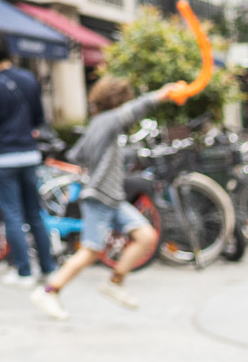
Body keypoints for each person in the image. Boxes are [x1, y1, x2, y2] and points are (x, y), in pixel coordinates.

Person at [32, 75, 183, 319]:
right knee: (91, 250)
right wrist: (161, 94)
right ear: (118, 101)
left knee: (145, 235)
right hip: (101, 196)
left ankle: (114, 282)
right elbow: (134, 110)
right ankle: (49, 291)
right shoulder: (108, 121)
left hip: (111, 196)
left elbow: (78, 154)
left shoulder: (99, 124)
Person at [0, 28, 56, 289]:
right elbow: (39, 118)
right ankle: (48, 268)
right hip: (29, 154)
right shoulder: (29, 79)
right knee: (35, 212)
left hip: (2, 157)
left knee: (12, 214)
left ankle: (24, 271)